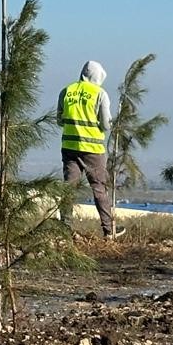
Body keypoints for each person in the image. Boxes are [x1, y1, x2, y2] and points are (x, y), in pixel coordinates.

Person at [58, 61, 125, 239]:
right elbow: (105, 124)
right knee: (99, 189)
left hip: (69, 147)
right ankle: (109, 231)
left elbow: (59, 119)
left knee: (68, 190)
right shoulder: (100, 94)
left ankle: (65, 231)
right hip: (93, 150)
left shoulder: (67, 91)